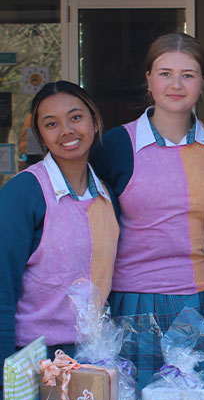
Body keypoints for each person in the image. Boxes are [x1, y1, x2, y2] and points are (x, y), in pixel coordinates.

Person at [90, 33, 204, 387]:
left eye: (188, 75)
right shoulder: (114, 146)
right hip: (136, 306)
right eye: (165, 73)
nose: (176, 84)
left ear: (203, 82)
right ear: (148, 79)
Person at [0, 81, 118, 377]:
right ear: (40, 136)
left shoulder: (106, 195)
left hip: (95, 356)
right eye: (51, 124)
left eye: (75, 117)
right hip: (34, 362)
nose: (66, 130)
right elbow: (3, 287)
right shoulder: (24, 193)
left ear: (95, 120)